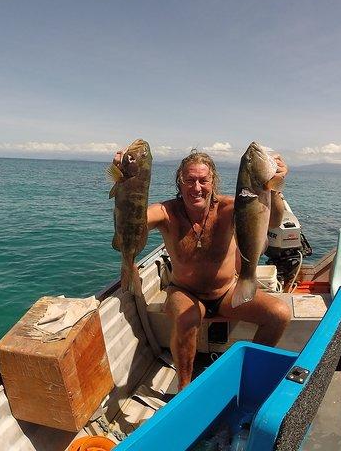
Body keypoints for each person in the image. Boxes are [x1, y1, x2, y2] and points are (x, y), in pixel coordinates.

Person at [113, 148, 292, 390]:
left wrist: (274, 188)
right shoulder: (166, 212)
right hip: (184, 292)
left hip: (227, 292)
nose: (197, 187)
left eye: (203, 180)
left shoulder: (230, 207)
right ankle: (184, 389)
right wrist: (127, 181)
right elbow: (134, 219)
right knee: (188, 318)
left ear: (213, 182)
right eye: (190, 180)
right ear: (180, 182)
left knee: (279, 314)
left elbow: (272, 221)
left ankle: (247, 375)